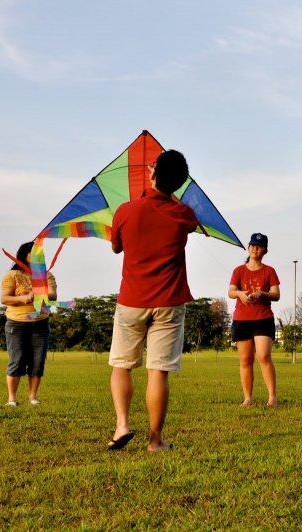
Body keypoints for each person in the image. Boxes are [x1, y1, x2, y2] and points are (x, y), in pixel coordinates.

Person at [107, 149, 198, 451]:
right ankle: (155, 440)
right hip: (169, 302)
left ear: (153, 172)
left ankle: (121, 425)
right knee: (157, 371)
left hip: (132, 299)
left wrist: (151, 183)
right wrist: (165, 185)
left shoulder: (125, 211)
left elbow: (116, 248)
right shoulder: (184, 214)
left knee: (122, 365)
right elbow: (182, 212)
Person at [1, 241, 56, 406]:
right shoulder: (12, 275)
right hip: (16, 324)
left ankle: (33, 397)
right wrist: (22, 298)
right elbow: (4, 298)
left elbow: (52, 295)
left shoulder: (47, 275)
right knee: (16, 360)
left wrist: (40, 292)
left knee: (37, 361)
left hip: (40, 323)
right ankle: (12, 399)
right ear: (24, 255)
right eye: (34, 252)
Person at [228, 233, 280, 406]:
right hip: (242, 319)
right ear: (248, 247)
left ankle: (272, 396)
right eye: (252, 245)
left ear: (264, 250)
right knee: (245, 360)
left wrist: (262, 294)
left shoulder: (269, 271)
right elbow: (231, 291)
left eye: (258, 246)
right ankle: (248, 398)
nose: (254, 249)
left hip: (263, 319)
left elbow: (276, 294)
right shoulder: (238, 271)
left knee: (264, 356)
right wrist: (240, 294)